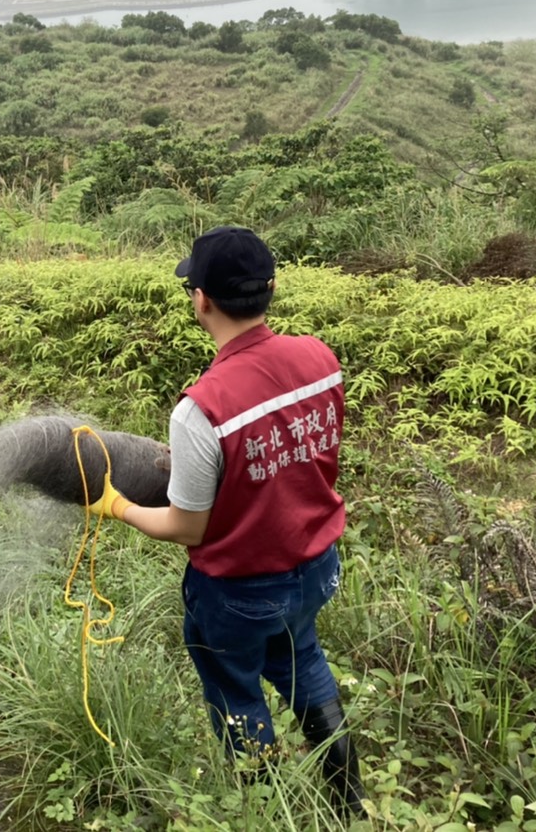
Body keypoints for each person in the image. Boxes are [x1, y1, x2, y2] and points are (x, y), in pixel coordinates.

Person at [90, 226, 364, 817]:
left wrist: (117, 506)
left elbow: (189, 528)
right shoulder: (320, 359)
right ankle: (348, 805)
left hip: (240, 591)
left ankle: (266, 807)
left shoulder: (200, 408)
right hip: (316, 568)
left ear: (202, 299)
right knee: (304, 663)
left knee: (236, 690)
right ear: (268, 290)